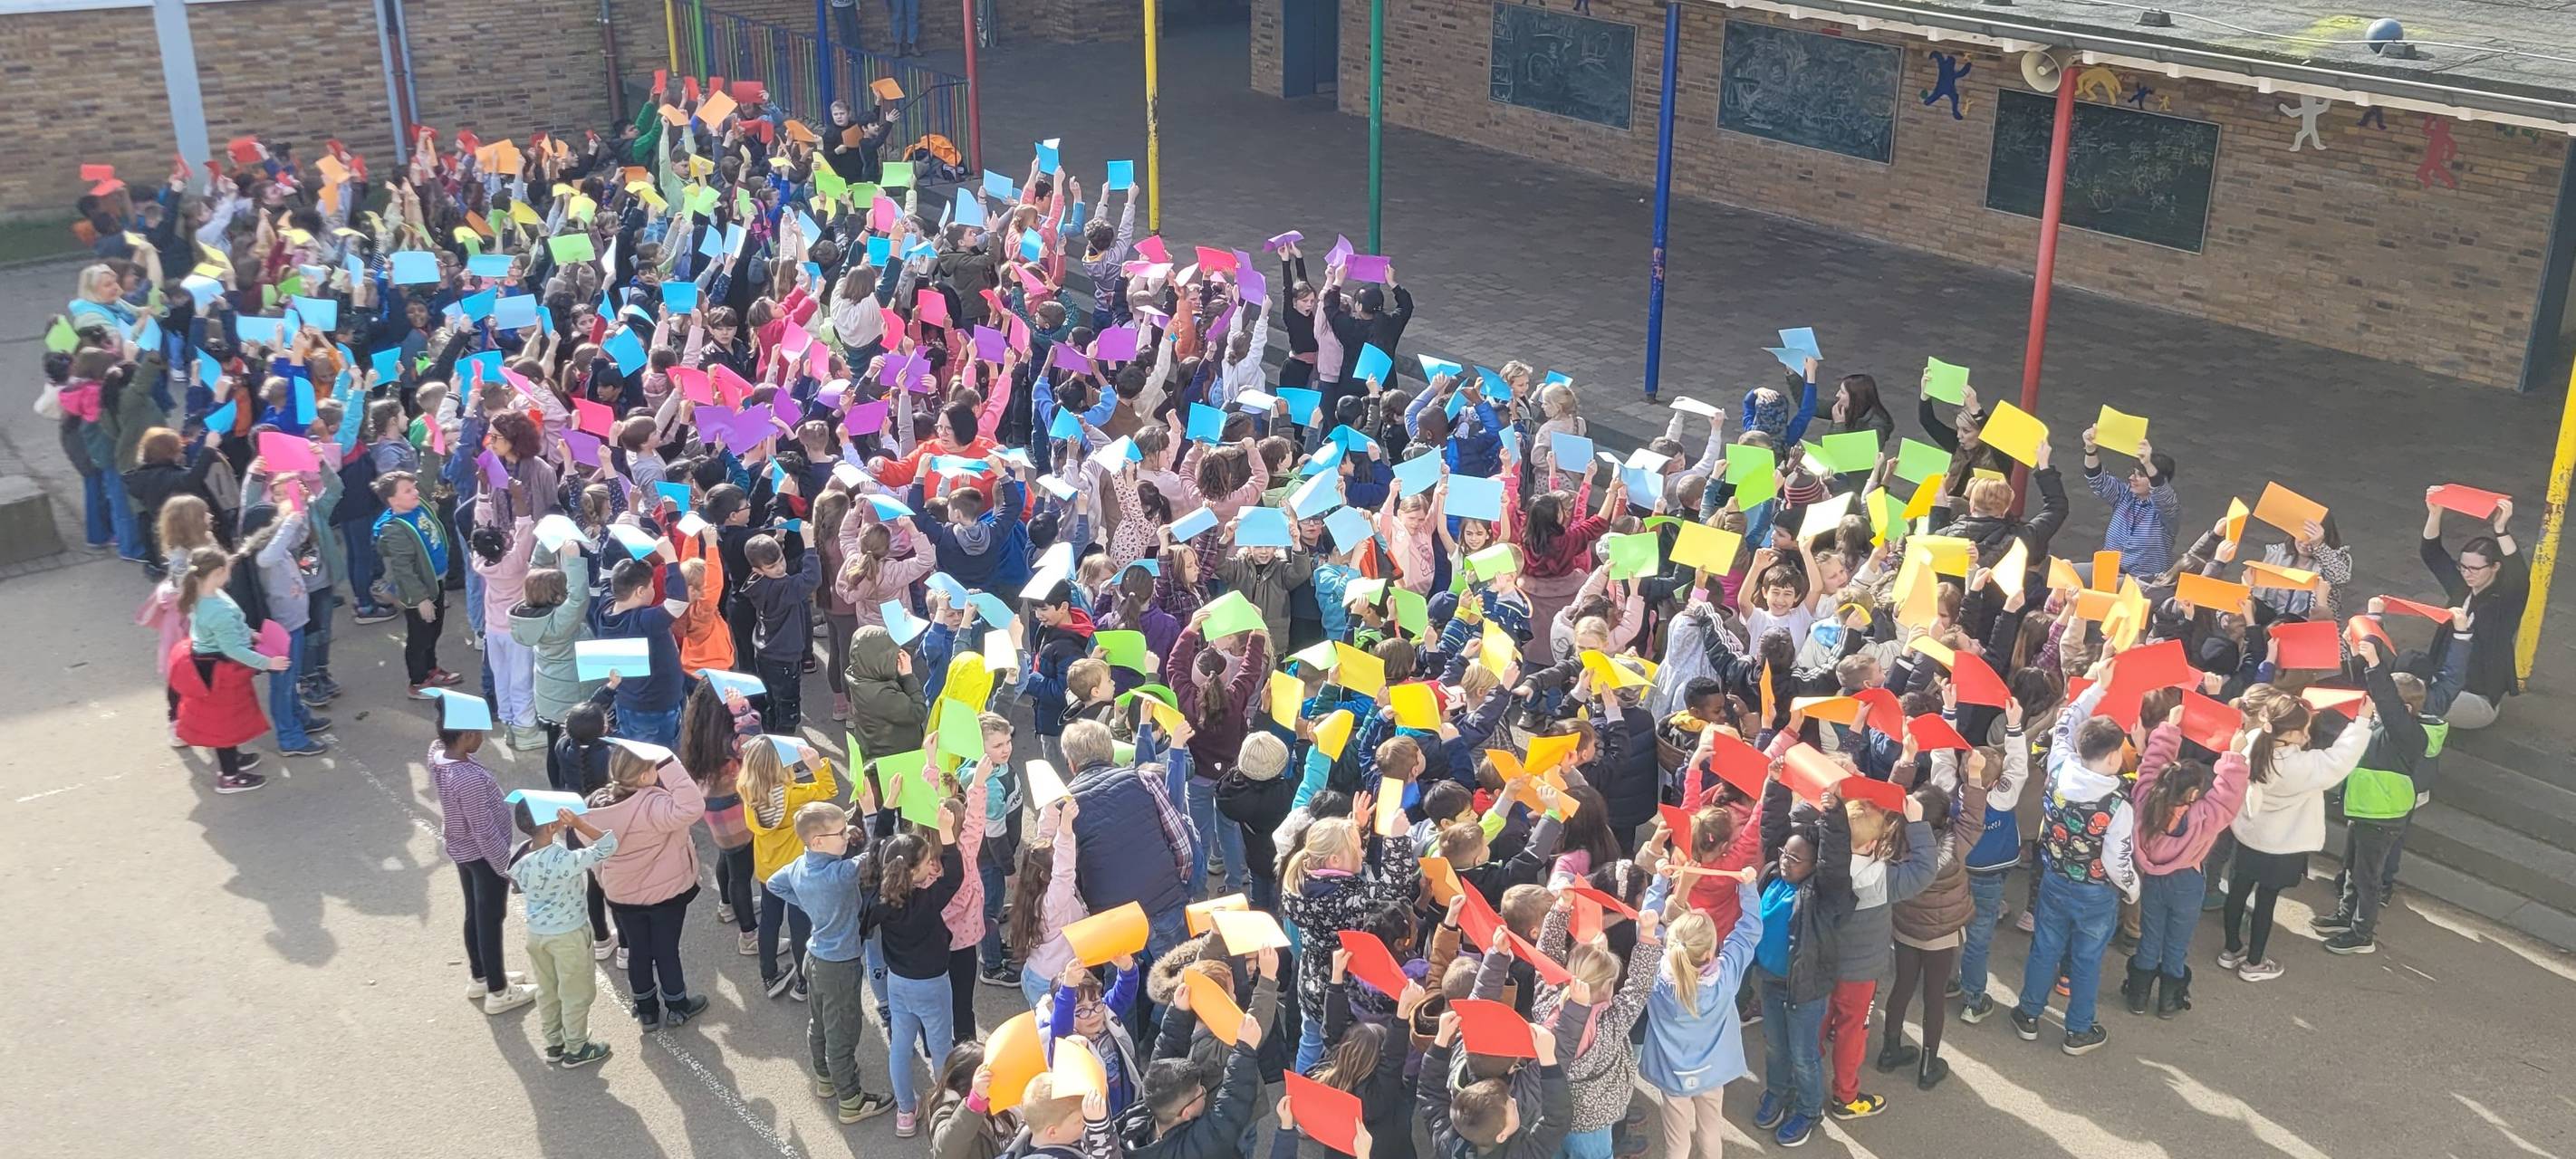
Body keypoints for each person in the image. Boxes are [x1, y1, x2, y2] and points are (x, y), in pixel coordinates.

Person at [2008, 680, 2138, 1055]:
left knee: (2045, 947)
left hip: (2054, 878)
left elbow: (2066, 721)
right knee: (2086, 958)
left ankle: (2028, 1013)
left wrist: (2098, 685)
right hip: (2096, 891)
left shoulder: (2060, 764)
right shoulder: (2118, 804)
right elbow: (2117, 859)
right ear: (2114, 756)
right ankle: (2078, 1029)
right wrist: (2132, 888)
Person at [2222, 688, 2370, 982]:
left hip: (2248, 836)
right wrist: (2362, 722)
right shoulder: (2301, 766)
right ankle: (2254, 963)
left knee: (2237, 892)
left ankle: (2231, 950)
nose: (2307, 734)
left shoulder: (2251, 744)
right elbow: (2340, 759)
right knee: (2266, 902)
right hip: (2280, 846)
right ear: (2288, 733)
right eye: (2303, 729)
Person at [766, 800, 899, 1125]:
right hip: (841, 965)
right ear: (818, 842)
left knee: (820, 1023)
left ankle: (825, 1078)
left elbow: (774, 883)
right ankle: (851, 1099)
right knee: (844, 1030)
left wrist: (811, 906)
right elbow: (875, 853)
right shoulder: (839, 875)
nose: (845, 837)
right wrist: (885, 809)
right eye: (839, 833)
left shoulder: (800, 867)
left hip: (815, 957)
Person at [585, 729, 710, 1030]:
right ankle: (677, 1004)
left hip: (621, 894)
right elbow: (693, 806)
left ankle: (646, 1009)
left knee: (639, 952)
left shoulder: (594, 805)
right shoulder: (656, 807)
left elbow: (589, 844)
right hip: (666, 894)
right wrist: (668, 760)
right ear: (644, 775)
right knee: (666, 950)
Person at [2125, 713, 2246, 1018]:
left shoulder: (2143, 800)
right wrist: (2234, 755)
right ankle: (2169, 1002)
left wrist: (2169, 729)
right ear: (2194, 795)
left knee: (2150, 937)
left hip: (2152, 880)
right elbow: (2228, 796)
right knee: (2176, 943)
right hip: (2187, 883)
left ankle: (2138, 996)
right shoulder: (2203, 818)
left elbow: (2150, 766)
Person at [1638, 870, 1763, 1159]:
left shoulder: (1654, 975)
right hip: (1713, 1072)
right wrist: (1747, 887)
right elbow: (1750, 930)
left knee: (1677, 1144)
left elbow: (1645, 927)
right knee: (1710, 1132)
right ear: (1709, 954)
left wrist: (1659, 882)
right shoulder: (1727, 977)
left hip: (1672, 1075)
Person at [861, 800, 966, 1138]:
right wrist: (947, 833)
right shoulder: (926, 901)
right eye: (925, 863)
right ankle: (944, 1109)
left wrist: (883, 812)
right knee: (940, 1047)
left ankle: (906, 1111)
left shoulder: (881, 901)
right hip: (932, 984)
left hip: (898, 983)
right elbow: (955, 875)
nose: (930, 867)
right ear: (914, 871)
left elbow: (875, 857)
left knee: (901, 1045)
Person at [1063, 719, 1197, 983]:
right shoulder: (1144, 779)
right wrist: (1178, 881)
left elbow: (1069, 875)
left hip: (1112, 919)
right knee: (1177, 983)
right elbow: (1180, 839)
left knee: (1123, 993)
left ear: (1071, 764)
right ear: (1111, 753)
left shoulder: (1064, 806)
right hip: (1164, 901)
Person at [429, 692, 535, 1014]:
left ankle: (481, 975)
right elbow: (484, 830)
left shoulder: (437, 753)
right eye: (478, 734)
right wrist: (508, 867)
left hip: (462, 851)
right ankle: (499, 991)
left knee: (474, 914)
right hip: (484, 856)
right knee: (491, 918)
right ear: (464, 735)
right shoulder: (469, 778)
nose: (482, 740)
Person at [507, 799, 618, 1067]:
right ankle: (577, 1047)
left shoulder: (521, 856)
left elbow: (518, 885)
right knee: (576, 992)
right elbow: (607, 846)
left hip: (537, 935)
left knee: (549, 990)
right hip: (568, 935)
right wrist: (579, 824)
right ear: (550, 826)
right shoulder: (564, 859)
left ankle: (554, 1042)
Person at [170, 546, 280, 792]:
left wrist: (249, 634)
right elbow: (233, 650)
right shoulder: (217, 608)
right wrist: (268, 663)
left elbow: (228, 634)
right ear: (219, 572)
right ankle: (229, 776)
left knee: (223, 720)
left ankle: (232, 758)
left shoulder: (202, 593)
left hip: (207, 665)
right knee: (224, 723)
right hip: (219, 671)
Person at [2417, 491, 2524, 729]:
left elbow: (2519, 574)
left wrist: (2501, 530)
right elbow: (2432, 554)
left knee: (2411, 702)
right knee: (2403, 671)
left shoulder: (2504, 601)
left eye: (2475, 569)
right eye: (2463, 567)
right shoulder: (2461, 588)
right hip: (2442, 682)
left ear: (2495, 567)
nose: (2467, 573)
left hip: (2476, 698)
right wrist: (2435, 513)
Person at [372, 471, 463, 697]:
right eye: (407, 490)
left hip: (436, 581)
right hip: (419, 591)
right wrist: (420, 599)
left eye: (413, 488)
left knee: (434, 630)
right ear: (393, 500)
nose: (415, 492)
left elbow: (426, 469)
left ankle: (431, 669)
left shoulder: (416, 505)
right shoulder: (394, 529)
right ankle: (418, 682)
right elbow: (404, 570)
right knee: (419, 637)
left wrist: (431, 445)